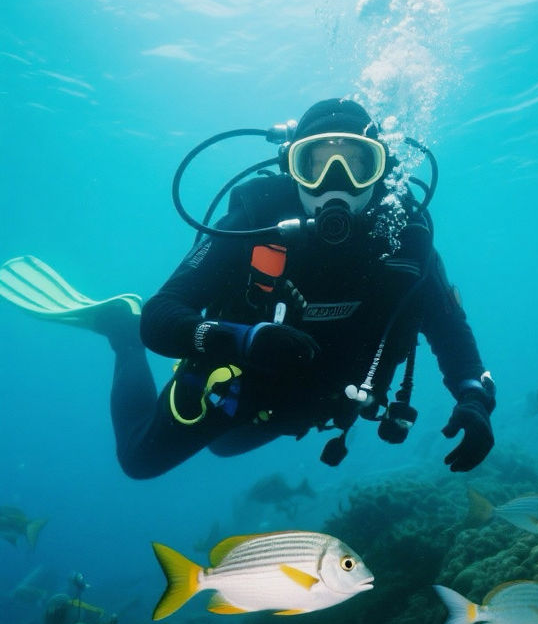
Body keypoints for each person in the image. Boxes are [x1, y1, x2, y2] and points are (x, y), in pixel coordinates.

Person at [0, 98, 495, 478]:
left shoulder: (403, 239)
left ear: (381, 169)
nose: (335, 183)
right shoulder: (255, 222)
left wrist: (474, 397)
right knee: (138, 462)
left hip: (313, 404)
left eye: (357, 164)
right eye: (315, 164)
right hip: (236, 382)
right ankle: (116, 333)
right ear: (290, 167)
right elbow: (161, 314)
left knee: (225, 447)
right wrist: (240, 339)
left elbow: (451, 332)